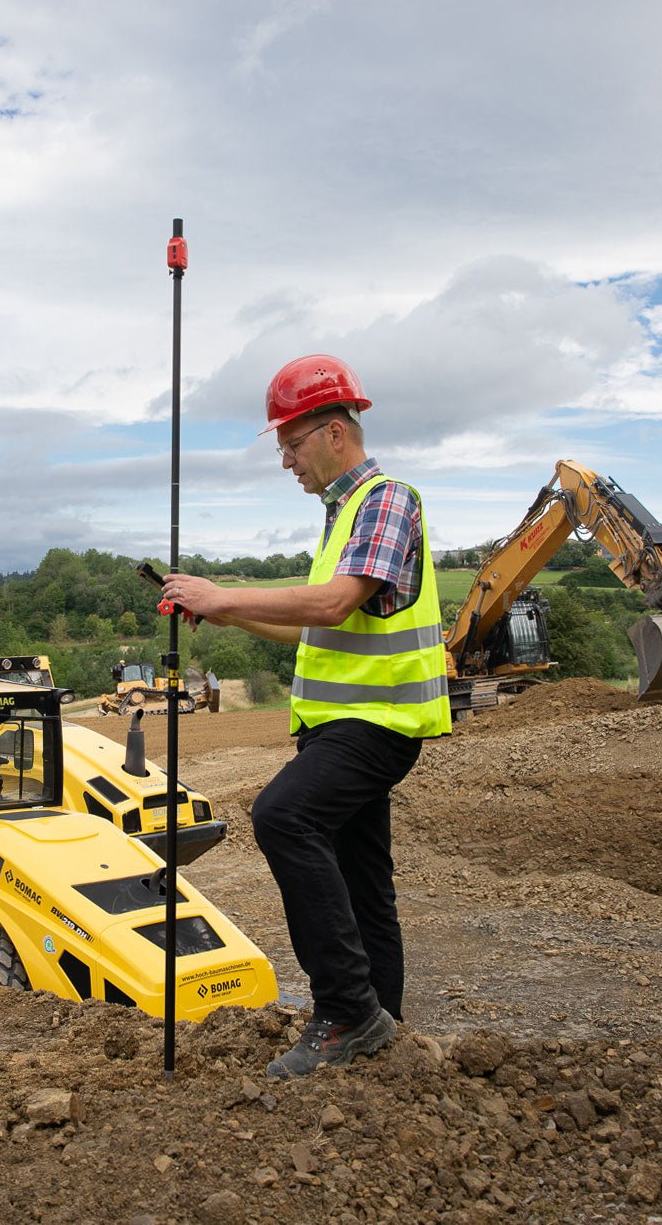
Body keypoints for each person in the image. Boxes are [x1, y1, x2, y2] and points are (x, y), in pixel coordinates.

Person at [162, 354, 451, 1079]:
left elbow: (331, 603)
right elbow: (311, 626)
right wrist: (225, 616)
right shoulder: (340, 517)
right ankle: (382, 1027)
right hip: (342, 725)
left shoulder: (386, 500)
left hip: (377, 723)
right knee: (362, 878)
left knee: (283, 816)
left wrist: (224, 594)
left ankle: (348, 1012)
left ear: (333, 433)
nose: (286, 460)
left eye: (291, 444)